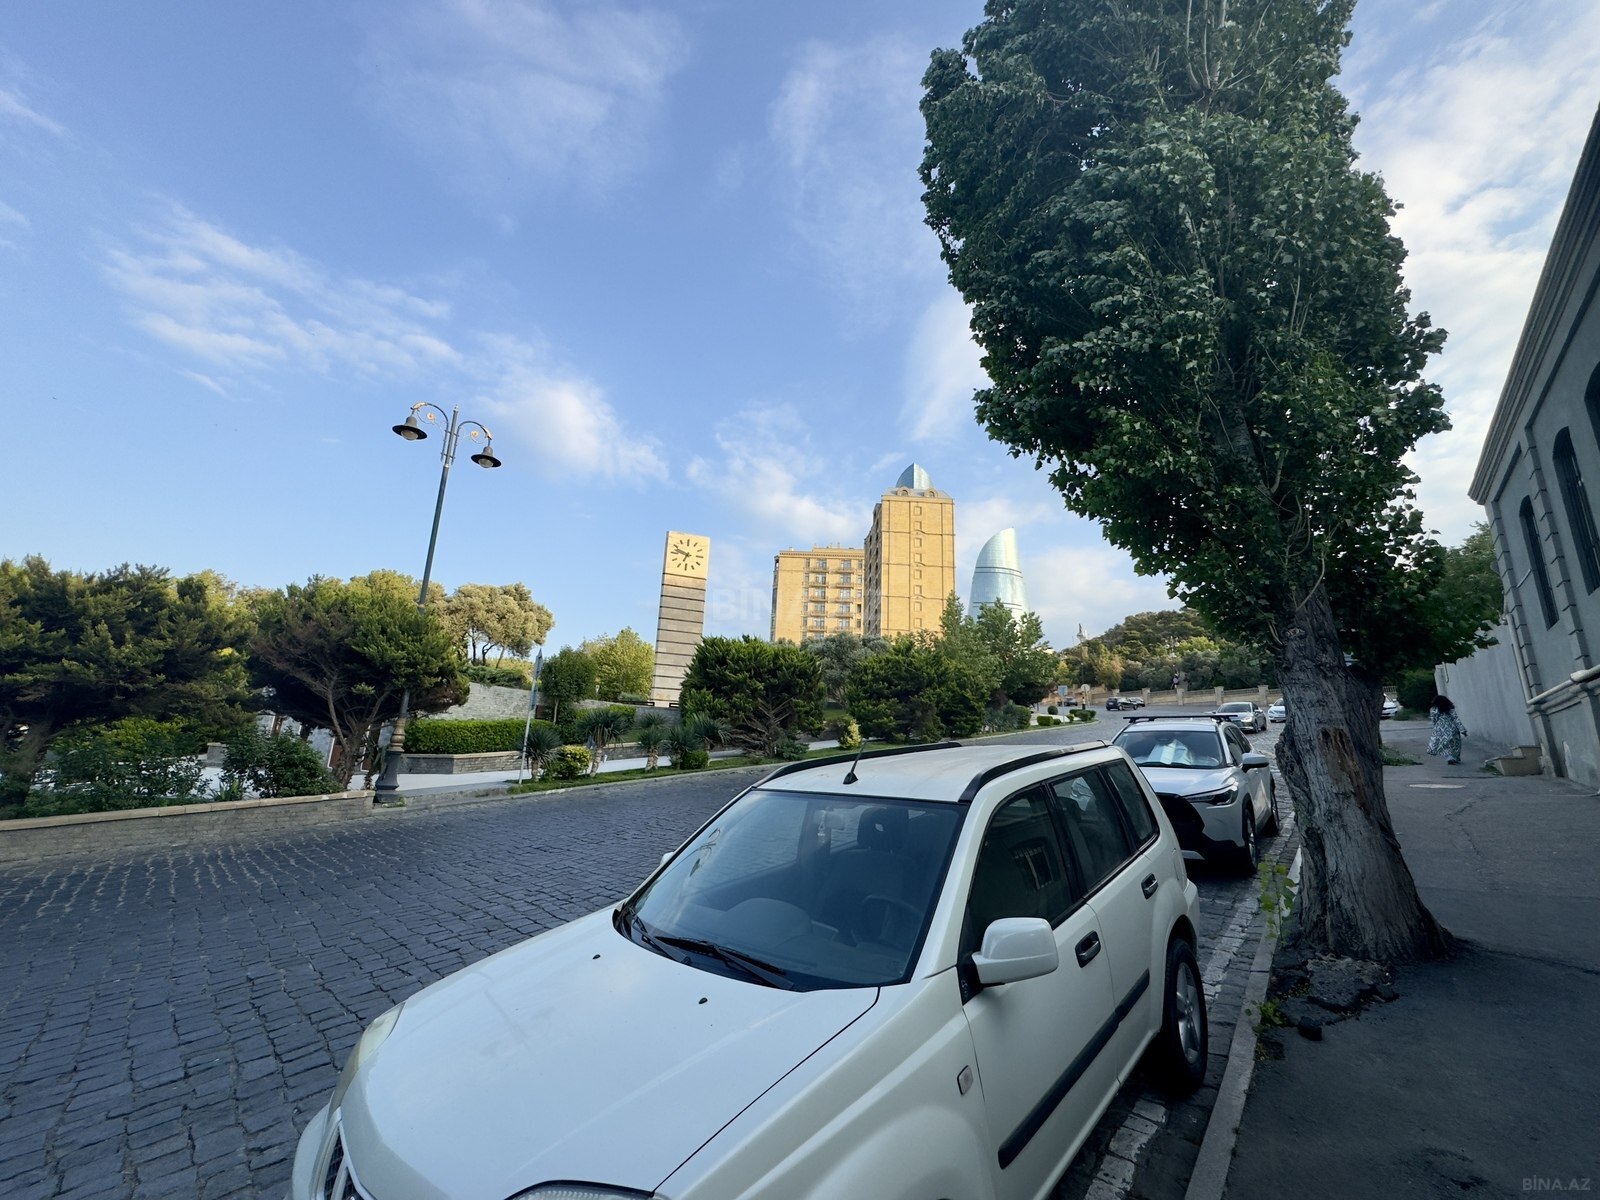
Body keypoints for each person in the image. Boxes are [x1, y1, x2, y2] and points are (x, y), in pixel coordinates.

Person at [1427, 695, 1468, 765]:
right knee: (1455, 744)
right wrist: (1462, 730)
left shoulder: (1433, 710)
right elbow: (1456, 719)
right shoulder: (1449, 708)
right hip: (1452, 729)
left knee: (1445, 745)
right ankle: (1455, 758)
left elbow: (1434, 720)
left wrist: (1435, 729)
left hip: (1441, 729)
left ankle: (1449, 758)